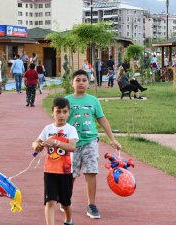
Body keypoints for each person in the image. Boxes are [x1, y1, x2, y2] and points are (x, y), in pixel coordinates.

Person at [65, 69, 122, 219]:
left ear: (88, 83)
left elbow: (102, 120)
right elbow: (60, 122)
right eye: (77, 80)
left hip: (91, 141)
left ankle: (91, 205)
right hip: (72, 144)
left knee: (91, 172)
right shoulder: (66, 101)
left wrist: (112, 139)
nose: (81, 83)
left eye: (84, 80)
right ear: (72, 83)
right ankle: (65, 198)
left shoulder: (93, 101)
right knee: (70, 174)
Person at [32, 97, 79, 225]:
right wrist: (36, 146)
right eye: (58, 112)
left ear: (69, 112)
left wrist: (55, 142)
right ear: (52, 112)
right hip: (50, 171)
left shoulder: (71, 130)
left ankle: (68, 220)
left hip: (65, 172)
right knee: (50, 201)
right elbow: (36, 141)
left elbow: (72, 147)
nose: (61, 115)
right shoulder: (47, 129)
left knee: (65, 203)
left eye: (64, 112)